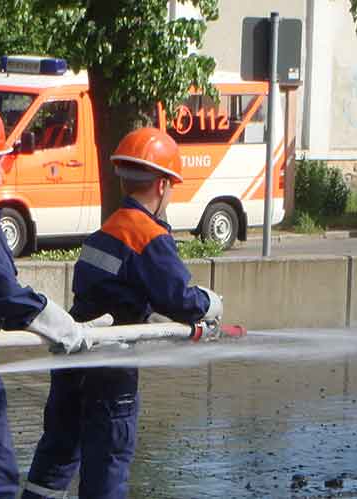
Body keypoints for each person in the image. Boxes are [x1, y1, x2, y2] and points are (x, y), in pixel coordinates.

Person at [21, 128, 223, 499]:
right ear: (162, 185)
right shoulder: (148, 235)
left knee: (57, 455)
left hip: (75, 358)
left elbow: (117, 294)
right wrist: (210, 304)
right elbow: (178, 298)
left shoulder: (106, 231)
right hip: (111, 369)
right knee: (108, 464)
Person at [0, 102, 107, 499]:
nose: (6, 159)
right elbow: (5, 293)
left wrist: (67, 325)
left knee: (0, 475)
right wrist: (66, 328)